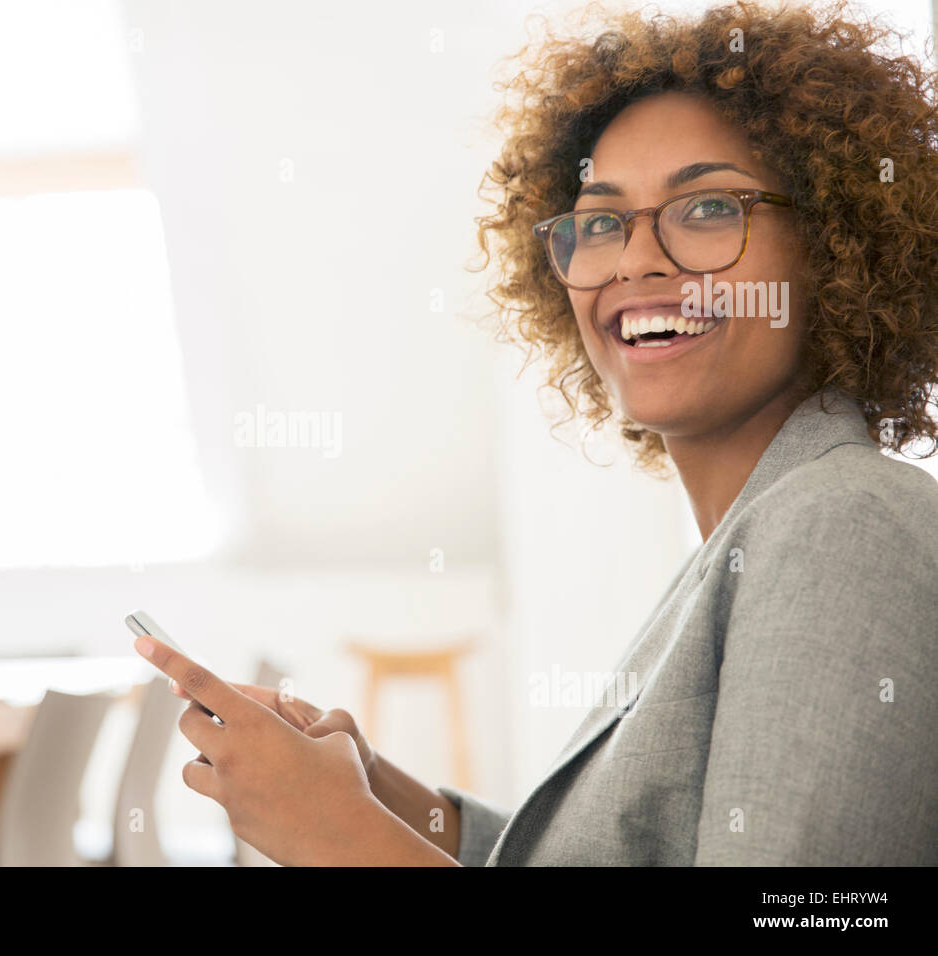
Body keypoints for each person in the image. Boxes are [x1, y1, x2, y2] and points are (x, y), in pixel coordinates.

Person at [131, 0, 938, 865]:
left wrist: (344, 840)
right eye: (599, 221)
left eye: (705, 209)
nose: (634, 260)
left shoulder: (843, 522)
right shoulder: (750, 537)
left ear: (834, 247)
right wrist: (379, 794)